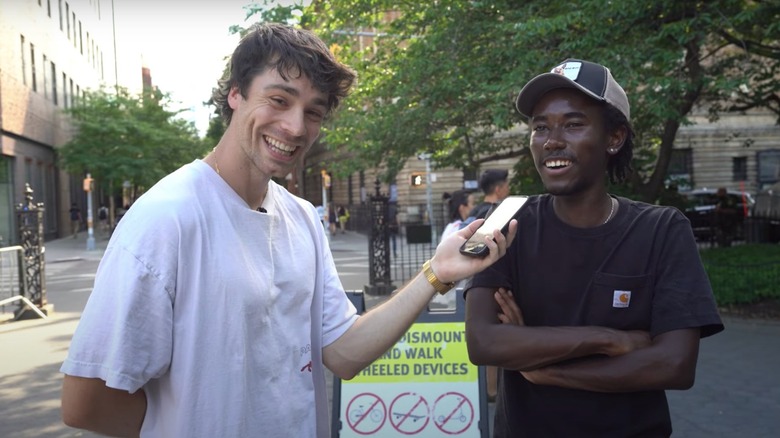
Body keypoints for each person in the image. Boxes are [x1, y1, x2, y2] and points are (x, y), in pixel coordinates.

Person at [59, 23, 516, 438]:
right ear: (236, 93)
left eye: (313, 112)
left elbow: (342, 353)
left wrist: (436, 273)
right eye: (278, 100)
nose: (296, 126)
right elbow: (86, 402)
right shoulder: (166, 217)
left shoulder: (301, 217)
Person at [464, 58, 724, 437]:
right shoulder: (500, 220)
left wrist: (545, 370)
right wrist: (611, 339)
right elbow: (483, 342)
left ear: (614, 138)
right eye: (540, 127)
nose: (552, 140)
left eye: (573, 124)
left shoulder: (663, 228)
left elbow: (675, 365)